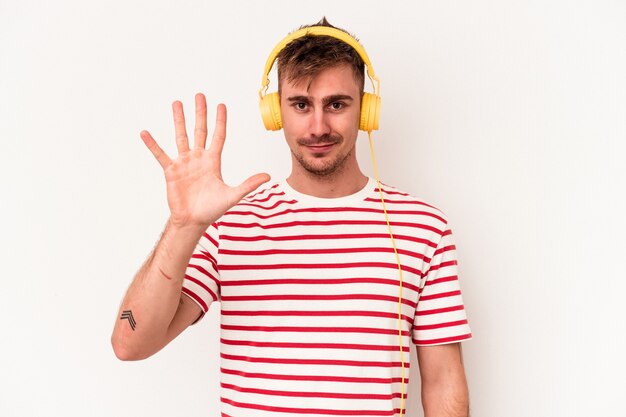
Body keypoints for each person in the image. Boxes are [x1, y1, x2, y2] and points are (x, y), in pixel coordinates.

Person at [111, 17, 472, 417]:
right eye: (301, 105)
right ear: (275, 112)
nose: (318, 126)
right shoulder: (230, 226)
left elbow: (442, 382)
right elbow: (130, 344)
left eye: (336, 104)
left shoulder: (422, 228)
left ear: (366, 110)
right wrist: (183, 226)